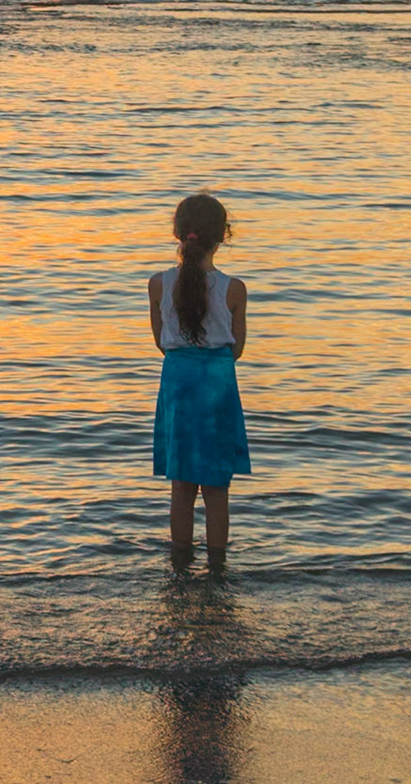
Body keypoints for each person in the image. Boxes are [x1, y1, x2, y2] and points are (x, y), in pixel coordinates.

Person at [148, 193, 251, 563]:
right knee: (217, 487)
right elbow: (236, 349)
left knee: (181, 485)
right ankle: (218, 567)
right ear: (221, 237)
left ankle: (179, 565)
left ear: (178, 234)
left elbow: (162, 342)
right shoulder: (234, 288)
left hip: (178, 380)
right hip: (217, 383)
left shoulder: (158, 284)